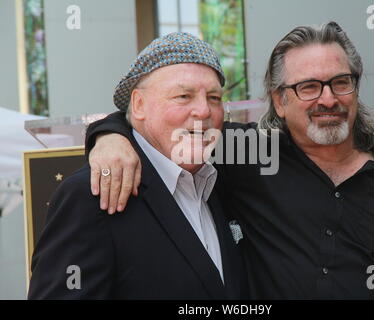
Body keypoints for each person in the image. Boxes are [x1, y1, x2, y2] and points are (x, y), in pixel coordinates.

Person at [86, 22, 374, 299]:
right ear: (279, 101)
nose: (327, 99)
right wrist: (110, 136)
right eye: (307, 87)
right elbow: (172, 124)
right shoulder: (248, 155)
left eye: (340, 82)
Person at [28, 32, 248, 299]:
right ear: (139, 105)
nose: (203, 111)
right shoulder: (92, 195)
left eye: (214, 98)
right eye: (183, 96)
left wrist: (108, 131)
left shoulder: (223, 179)